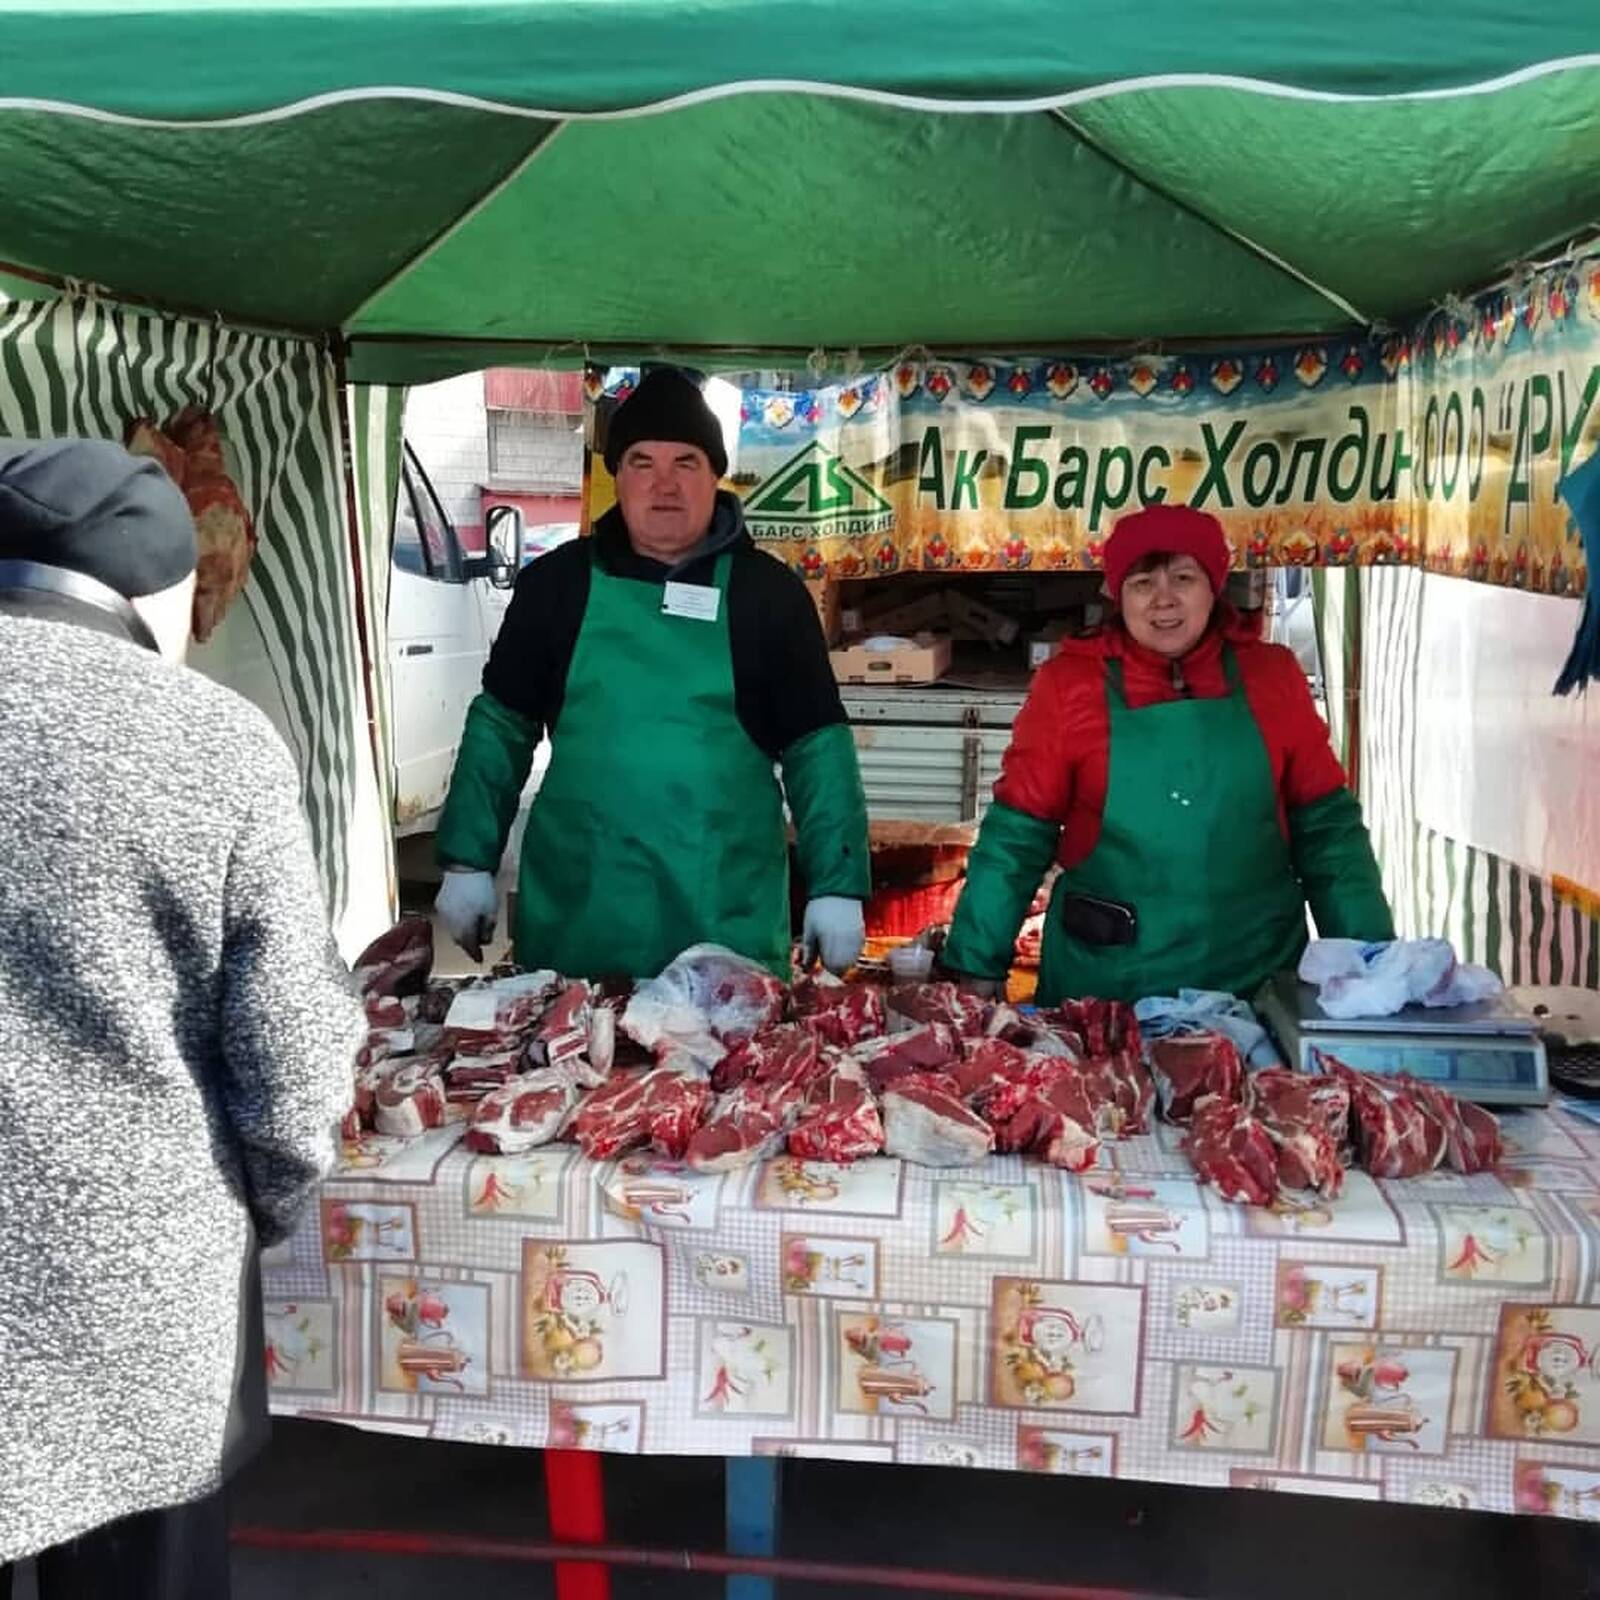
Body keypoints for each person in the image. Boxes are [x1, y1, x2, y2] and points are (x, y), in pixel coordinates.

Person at [0, 439, 364, 1599]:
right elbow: (294, 1070)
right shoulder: (210, 740)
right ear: (159, 589)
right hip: (133, 1310)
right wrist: (266, 1207)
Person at [434, 367, 870, 979]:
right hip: (580, 915)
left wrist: (838, 880)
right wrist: (466, 860)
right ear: (617, 477)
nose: (664, 484)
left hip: (723, 923)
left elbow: (816, 747)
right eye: (642, 461)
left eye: (685, 462)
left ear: (716, 476)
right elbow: (501, 729)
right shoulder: (555, 586)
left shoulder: (767, 595)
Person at [942, 503, 1393, 1004]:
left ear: (1213, 587)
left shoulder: (1273, 676)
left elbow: (1328, 832)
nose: (1164, 601)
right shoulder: (1069, 685)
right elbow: (1017, 837)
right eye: (1142, 583)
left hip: (1254, 985)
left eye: (1183, 578)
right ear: (1119, 596)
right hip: (1106, 991)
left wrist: (1371, 961)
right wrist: (976, 964)